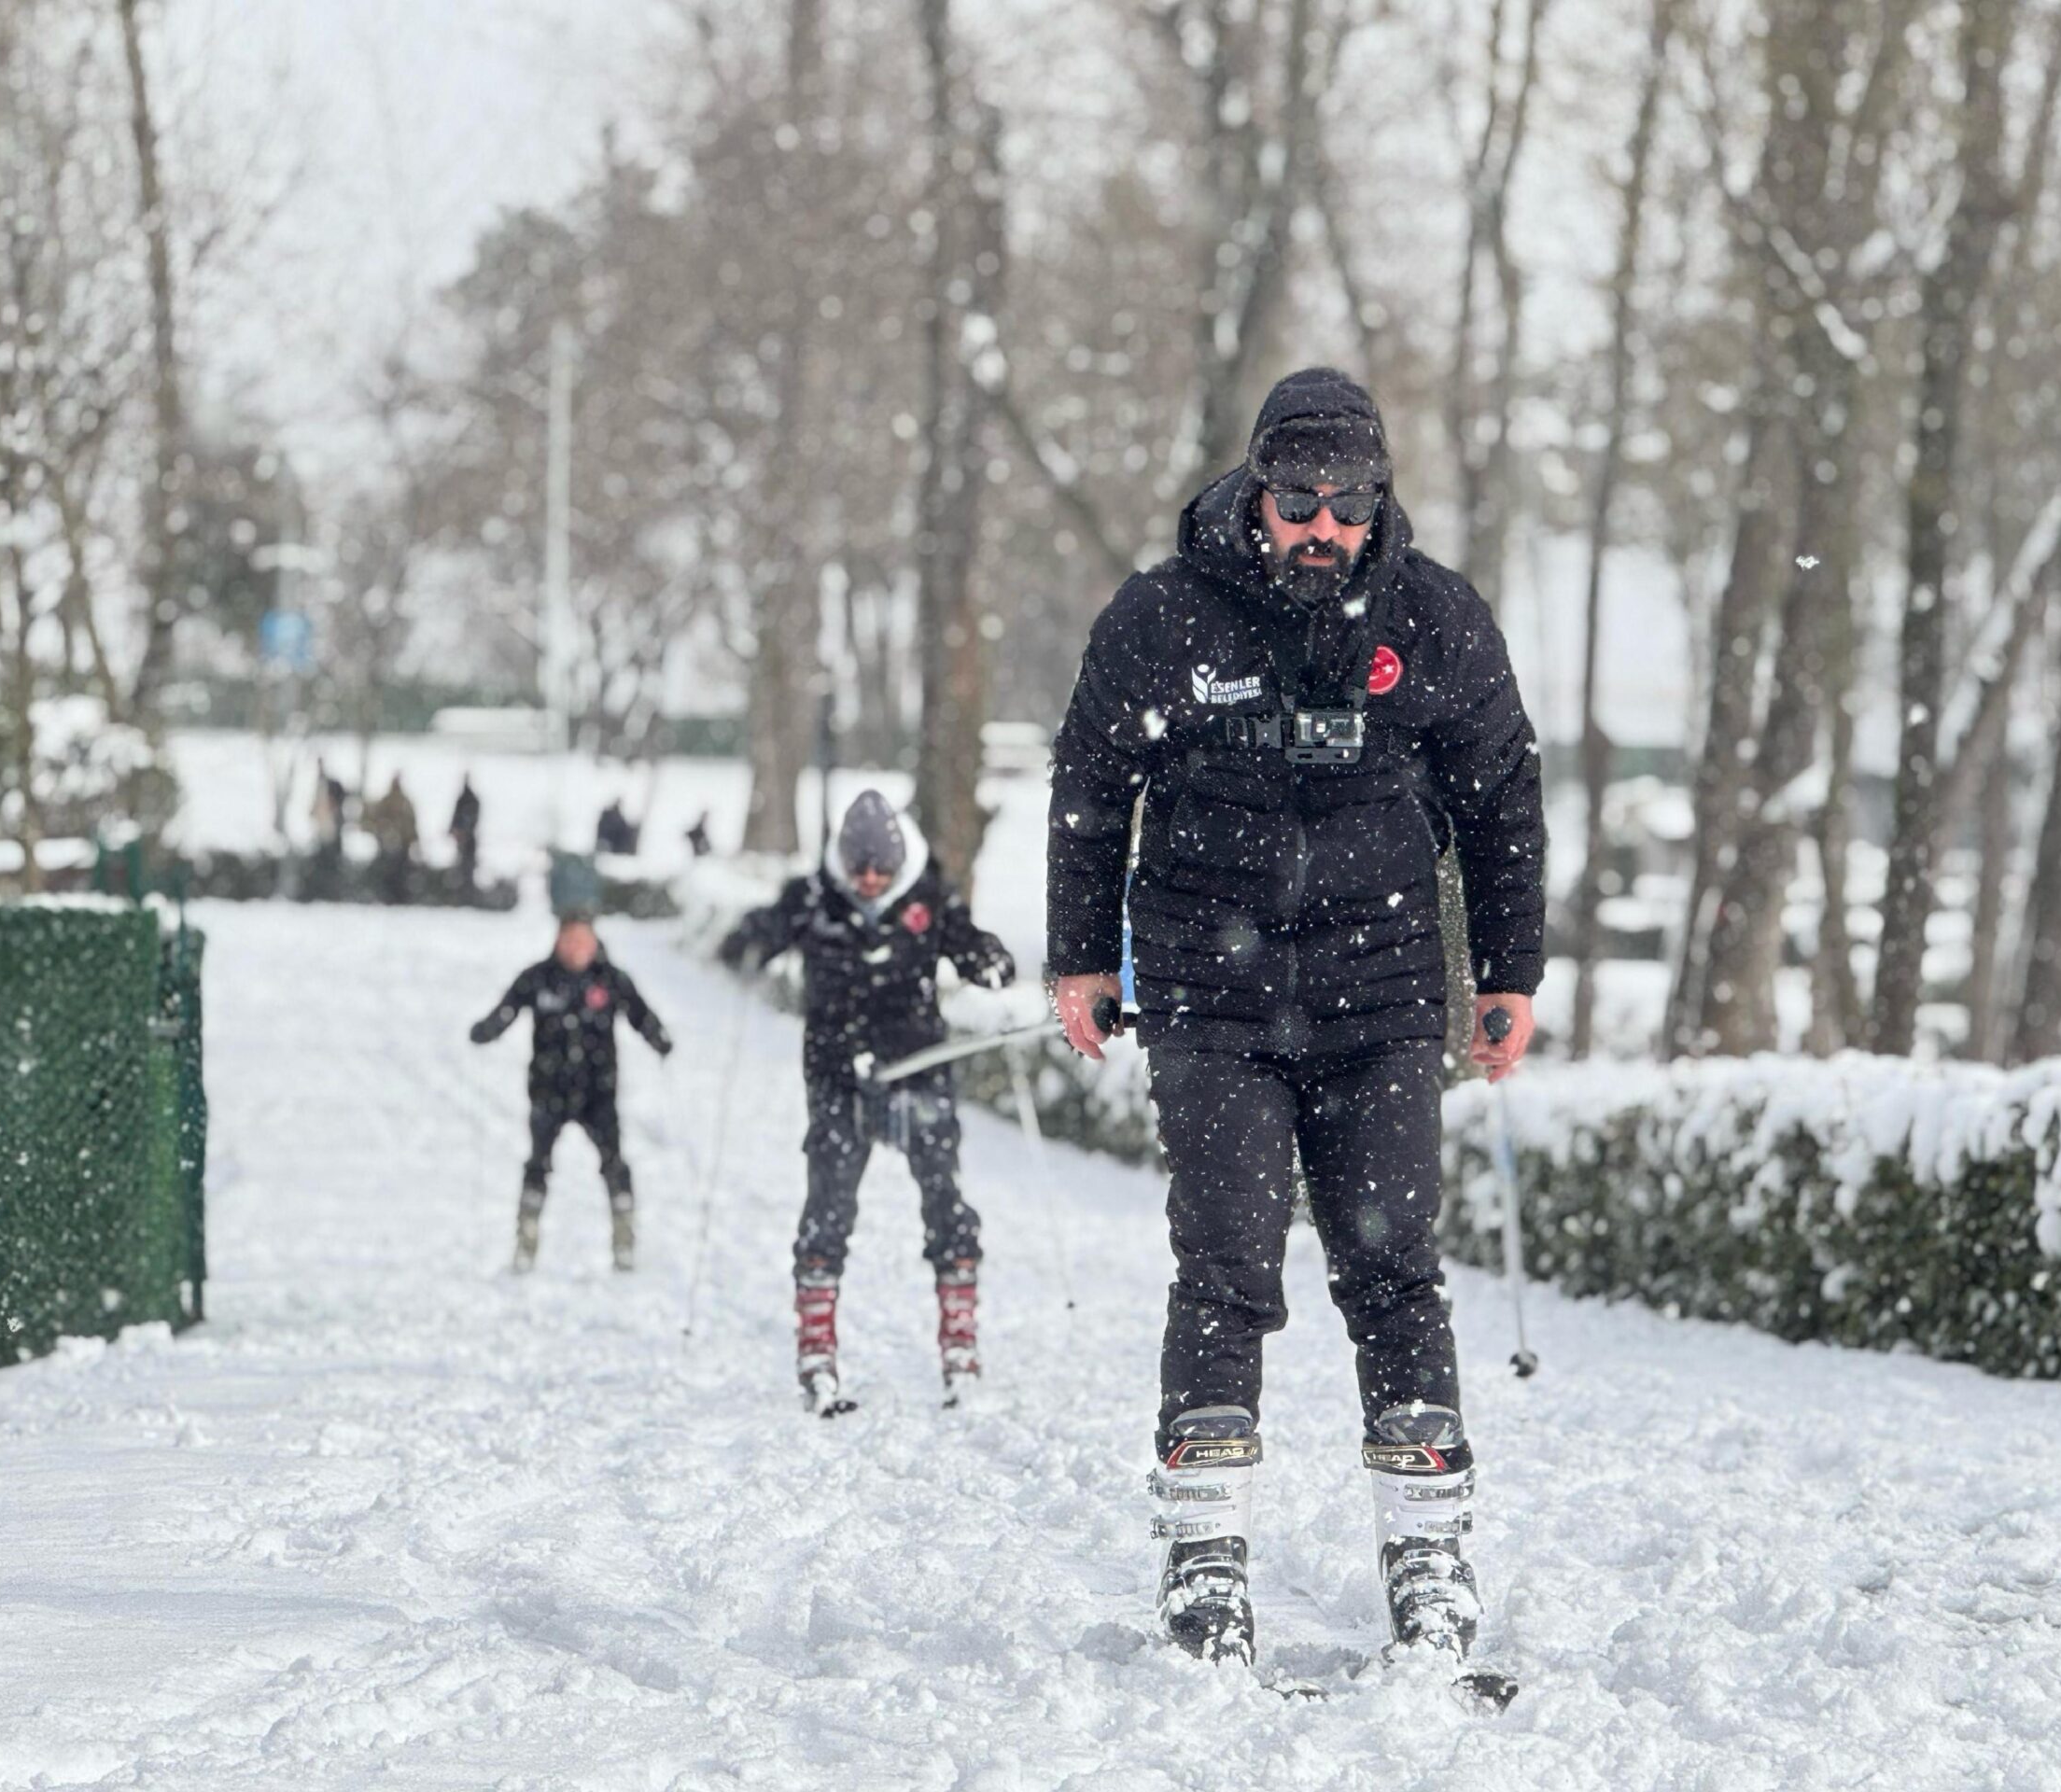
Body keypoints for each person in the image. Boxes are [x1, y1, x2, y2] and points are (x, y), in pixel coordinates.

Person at [1045, 367, 1546, 1674]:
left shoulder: (1432, 621)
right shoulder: (1167, 618)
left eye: (1348, 503)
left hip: (1380, 1001)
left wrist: (1512, 970)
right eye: (1298, 500)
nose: (1322, 527)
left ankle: (1430, 1559)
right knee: (1226, 1264)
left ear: (1379, 500)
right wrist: (1078, 959)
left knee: (1394, 1271)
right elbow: (1093, 780)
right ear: (1255, 491)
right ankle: (1205, 1559)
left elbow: (1501, 796)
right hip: (1214, 1001)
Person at [719, 790, 1017, 1415]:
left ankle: (961, 1349)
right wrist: (747, 942)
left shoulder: (928, 894)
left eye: (881, 869)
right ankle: (816, 1352)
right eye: (861, 870)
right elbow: (759, 936)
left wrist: (987, 960)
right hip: (837, 1075)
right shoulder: (813, 897)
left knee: (946, 1200)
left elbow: (966, 943)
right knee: (827, 1207)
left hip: (917, 1068)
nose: (872, 881)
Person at [470, 915, 674, 1272]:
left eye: (583, 940)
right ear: (558, 942)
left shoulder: (610, 979)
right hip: (548, 1091)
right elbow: (507, 1010)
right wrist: (487, 1030)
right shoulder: (538, 978)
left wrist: (658, 1038)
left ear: (594, 943)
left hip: (599, 1091)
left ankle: (624, 1241)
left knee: (614, 1163)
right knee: (538, 1163)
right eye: (570, 940)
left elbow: (640, 1014)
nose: (576, 948)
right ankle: (526, 1241)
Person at [369, 774, 420, 903]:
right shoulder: (390, 801)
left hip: (401, 845)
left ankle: (397, 897)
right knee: (391, 874)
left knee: (399, 874)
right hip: (390, 845)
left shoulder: (402, 802)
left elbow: (410, 823)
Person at [450, 776, 482, 890]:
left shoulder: (468, 800)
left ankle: (467, 889)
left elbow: (469, 819)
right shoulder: (465, 800)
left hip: (468, 840)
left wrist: (462, 831)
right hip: (464, 839)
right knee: (464, 866)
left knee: (467, 866)